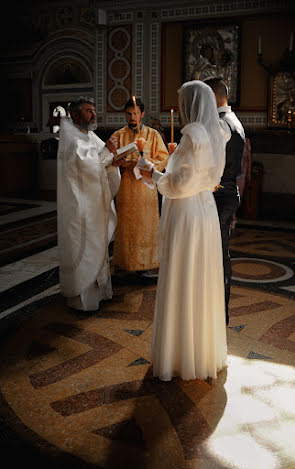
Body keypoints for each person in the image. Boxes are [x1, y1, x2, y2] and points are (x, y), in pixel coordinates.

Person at [139, 80, 230, 381]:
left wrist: (152, 173)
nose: (178, 108)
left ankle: (178, 356)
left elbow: (178, 185)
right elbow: (203, 175)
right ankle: (202, 352)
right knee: (200, 277)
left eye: (181, 102)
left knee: (183, 276)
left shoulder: (194, 136)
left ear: (191, 104)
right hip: (205, 211)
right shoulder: (215, 133)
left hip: (187, 212)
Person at [57, 97, 121, 311]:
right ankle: (83, 302)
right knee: (84, 247)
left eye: (94, 110)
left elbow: (101, 162)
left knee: (98, 247)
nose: (93, 114)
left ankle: (101, 294)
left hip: (94, 204)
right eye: (88, 111)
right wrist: (108, 153)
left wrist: (114, 160)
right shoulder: (72, 139)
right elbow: (88, 168)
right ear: (75, 115)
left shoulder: (90, 135)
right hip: (80, 206)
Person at [203, 76, 245, 326]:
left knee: (217, 257)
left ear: (214, 95)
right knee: (221, 255)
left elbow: (212, 165)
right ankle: (218, 314)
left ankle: (218, 316)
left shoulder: (220, 124)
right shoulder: (234, 120)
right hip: (228, 194)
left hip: (219, 196)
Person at [112, 98, 169, 275]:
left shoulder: (153, 134)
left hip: (146, 188)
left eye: (135, 113)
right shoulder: (118, 135)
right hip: (126, 187)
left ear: (142, 114)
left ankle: (146, 264)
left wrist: (145, 163)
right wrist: (120, 161)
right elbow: (110, 158)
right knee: (126, 225)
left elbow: (163, 158)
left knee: (146, 225)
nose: (132, 117)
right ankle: (126, 263)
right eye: (129, 114)